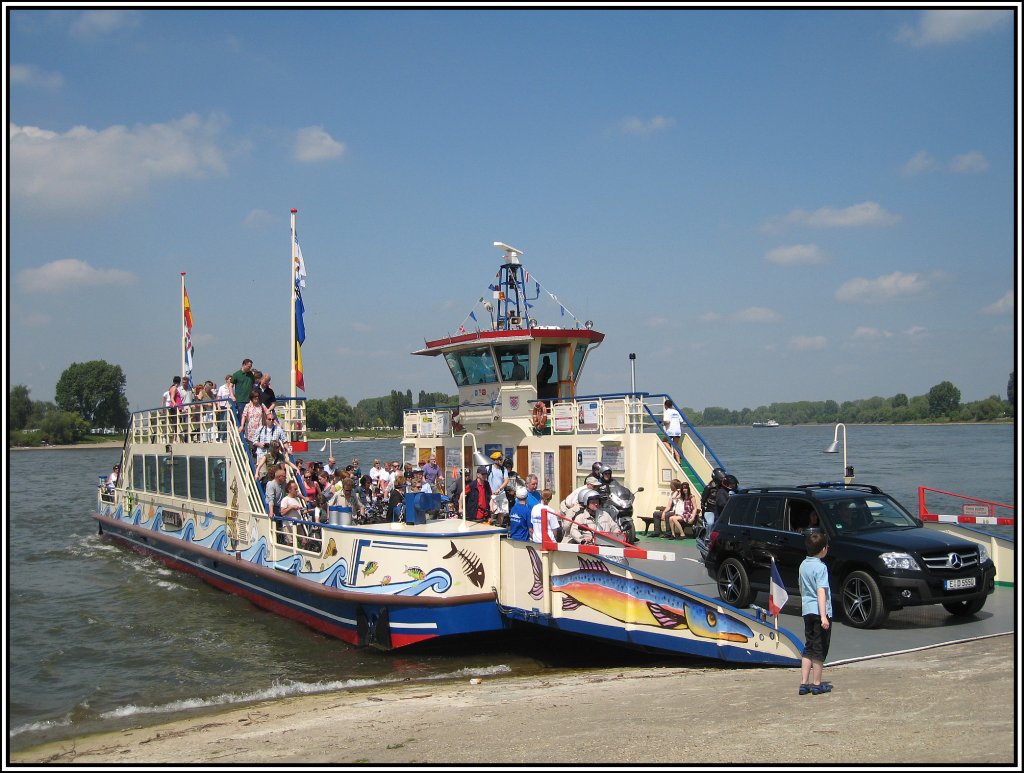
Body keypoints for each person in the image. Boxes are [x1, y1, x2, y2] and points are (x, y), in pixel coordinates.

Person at [799, 530, 833, 696]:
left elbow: (802, 588)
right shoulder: (821, 567)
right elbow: (821, 591)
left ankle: (804, 683)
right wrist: (823, 616)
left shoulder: (803, 565)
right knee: (819, 649)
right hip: (819, 612)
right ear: (823, 550)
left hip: (807, 610)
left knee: (809, 646)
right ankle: (817, 684)